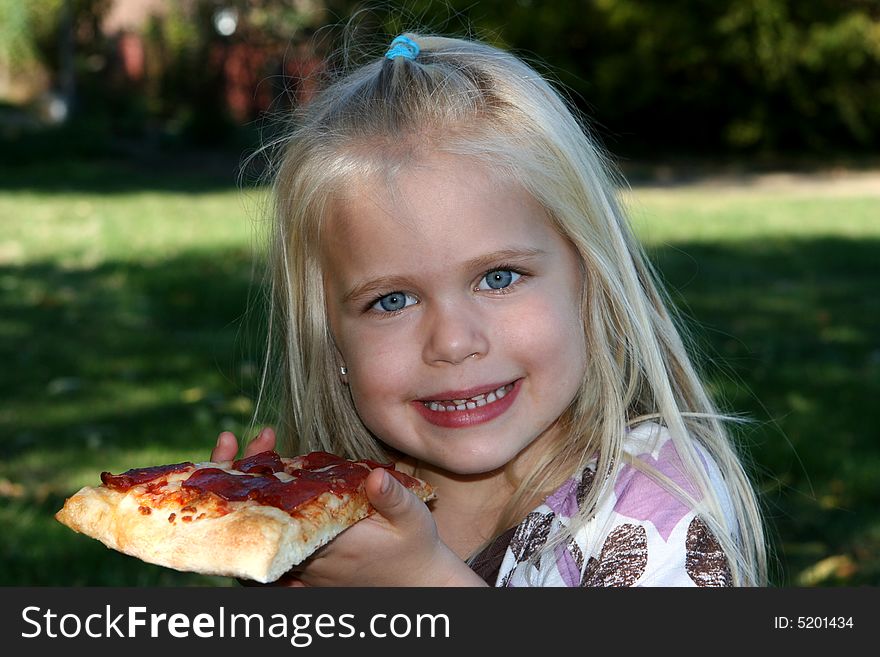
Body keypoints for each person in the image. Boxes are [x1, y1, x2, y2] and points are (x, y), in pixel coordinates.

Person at [210, 33, 768, 586]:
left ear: (590, 283)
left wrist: (422, 585)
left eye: (498, 278)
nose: (453, 342)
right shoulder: (347, 528)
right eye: (392, 300)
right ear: (332, 336)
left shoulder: (657, 499)